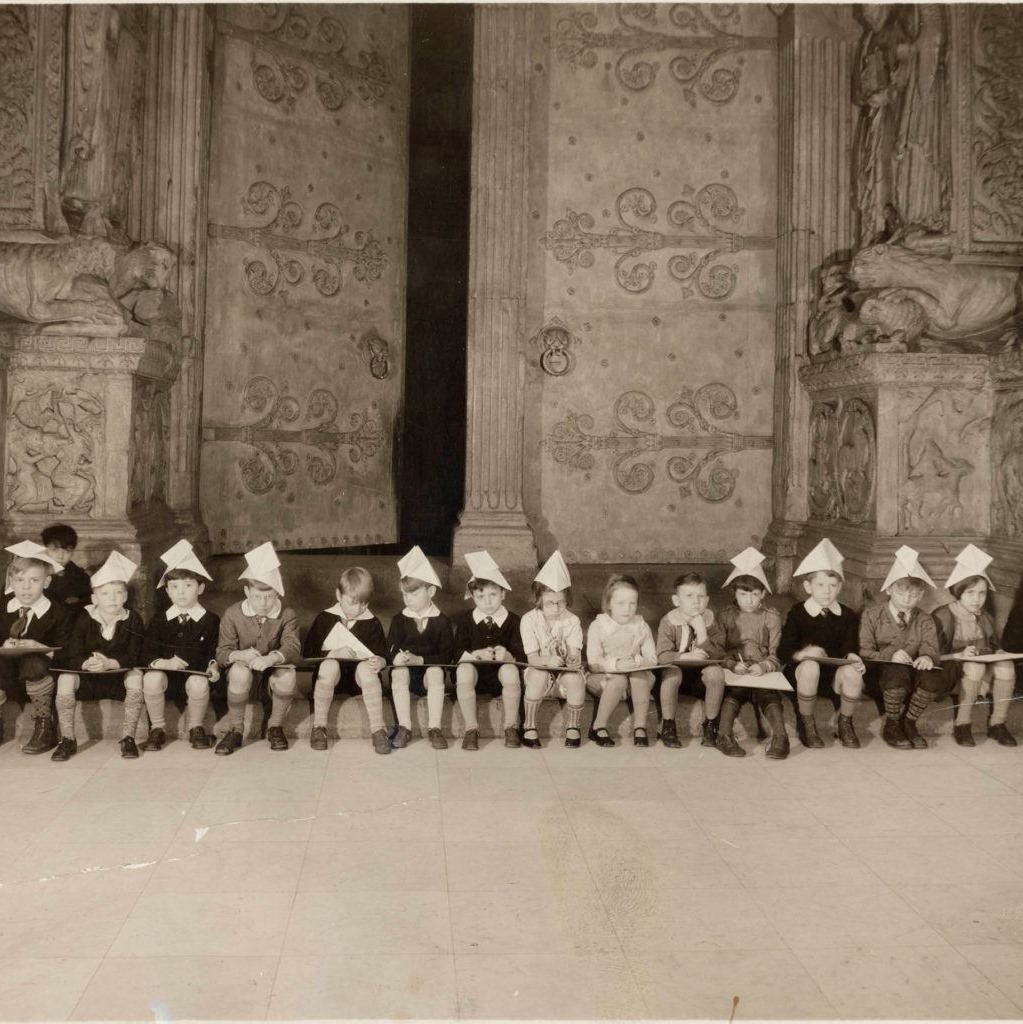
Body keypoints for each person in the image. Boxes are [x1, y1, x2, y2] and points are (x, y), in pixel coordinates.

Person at [53, 551, 145, 760]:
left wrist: (110, 663)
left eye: (118, 592)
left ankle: (128, 737)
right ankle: (68, 739)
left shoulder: (132, 620)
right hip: (89, 679)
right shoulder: (84, 619)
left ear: (126, 595)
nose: (113, 598)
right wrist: (86, 664)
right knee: (66, 678)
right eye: (105, 593)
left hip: (117, 678)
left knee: (136, 675)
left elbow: (136, 655)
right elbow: (73, 654)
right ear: (94, 597)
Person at [214, 542, 301, 755]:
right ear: (246, 591)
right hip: (242, 681)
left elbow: (293, 648)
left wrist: (271, 659)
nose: (263, 603)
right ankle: (235, 728)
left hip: (270, 680)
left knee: (288, 675)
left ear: (278, 594)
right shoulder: (232, 614)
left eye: (269, 597)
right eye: (256, 596)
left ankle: (275, 726)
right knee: (239, 671)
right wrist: (239, 654)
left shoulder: (287, 615)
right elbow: (222, 652)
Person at [779, 539, 866, 749]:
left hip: (831, 676)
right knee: (810, 666)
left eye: (833, 585)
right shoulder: (798, 612)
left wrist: (853, 657)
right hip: (802, 675)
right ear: (808, 586)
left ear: (840, 587)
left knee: (853, 673)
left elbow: (849, 647)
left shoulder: (847, 615)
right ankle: (807, 723)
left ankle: (845, 722)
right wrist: (805, 653)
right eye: (820, 585)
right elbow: (784, 651)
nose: (827, 591)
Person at [859, 546, 944, 749]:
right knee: (896, 673)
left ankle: (910, 722)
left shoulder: (925, 619)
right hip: (881, 673)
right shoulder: (871, 615)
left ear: (922, 595)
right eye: (901, 591)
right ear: (888, 589)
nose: (907, 599)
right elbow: (865, 651)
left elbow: (930, 645)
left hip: (912, 673)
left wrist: (927, 657)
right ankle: (893, 723)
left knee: (932, 677)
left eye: (914, 594)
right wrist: (891, 654)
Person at [933, 544, 1017, 747]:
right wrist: (960, 654)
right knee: (975, 665)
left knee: (1006, 666)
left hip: (979, 670)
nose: (977, 599)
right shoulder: (943, 615)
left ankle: (998, 723)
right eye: (970, 593)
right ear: (958, 591)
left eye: (982, 593)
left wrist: (999, 652)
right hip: (949, 670)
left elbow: (992, 645)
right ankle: (962, 723)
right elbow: (931, 654)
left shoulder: (984, 616)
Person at [140, 540, 219, 751]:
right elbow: (147, 651)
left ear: (200, 588)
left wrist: (213, 666)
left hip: (195, 678)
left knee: (199, 682)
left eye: (188, 585)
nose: (181, 592)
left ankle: (196, 727)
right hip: (167, 678)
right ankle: (157, 728)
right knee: (151, 677)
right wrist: (164, 662)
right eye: (174, 587)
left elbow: (213, 650)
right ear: (167, 591)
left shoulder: (210, 620)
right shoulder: (159, 619)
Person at [303, 566, 389, 754]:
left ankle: (378, 729)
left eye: (364, 604)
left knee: (366, 669)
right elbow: (307, 654)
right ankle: (319, 727)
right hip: (331, 679)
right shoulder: (324, 618)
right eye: (352, 602)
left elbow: (383, 654)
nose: (358, 609)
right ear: (338, 595)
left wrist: (380, 661)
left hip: (358, 681)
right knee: (330, 665)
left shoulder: (372, 622)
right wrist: (332, 653)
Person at [713, 547, 789, 759]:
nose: (748, 600)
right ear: (733, 593)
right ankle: (724, 737)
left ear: (763, 593)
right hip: (736, 671)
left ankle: (781, 738)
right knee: (733, 695)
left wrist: (764, 665)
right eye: (743, 594)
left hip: (761, 672)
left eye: (754, 594)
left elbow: (777, 652)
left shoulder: (770, 617)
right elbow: (718, 650)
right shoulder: (725, 616)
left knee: (769, 695)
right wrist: (731, 664)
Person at [0, 541, 72, 754]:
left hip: (42, 675)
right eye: (20, 580)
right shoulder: (4, 609)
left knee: (33, 662)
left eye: (34, 580)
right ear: (11, 581)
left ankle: (44, 724)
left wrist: (40, 646)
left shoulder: (58, 613)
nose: (26, 587)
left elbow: (68, 651)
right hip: (7, 672)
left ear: (46, 582)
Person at [453, 551, 523, 750]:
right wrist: (475, 655)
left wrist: (508, 655)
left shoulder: (514, 621)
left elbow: (523, 653)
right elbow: (456, 651)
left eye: (493, 594)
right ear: (473, 597)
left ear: (503, 593)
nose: (487, 601)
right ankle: (471, 729)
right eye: (480, 596)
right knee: (463, 669)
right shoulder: (466, 620)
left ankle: (510, 726)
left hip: (501, 676)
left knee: (510, 669)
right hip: (475, 676)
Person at [386, 546, 455, 750]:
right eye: (404, 594)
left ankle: (434, 727)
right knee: (398, 672)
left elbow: (447, 654)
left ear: (431, 591)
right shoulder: (399, 619)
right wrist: (395, 658)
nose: (408, 599)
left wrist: (421, 661)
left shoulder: (442, 621)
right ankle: (404, 727)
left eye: (414, 593)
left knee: (435, 672)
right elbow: (390, 647)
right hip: (406, 676)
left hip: (428, 676)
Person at [520, 551, 587, 749]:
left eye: (561, 602)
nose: (556, 608)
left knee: (575, 679)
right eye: (550, 603)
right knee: (539, 674)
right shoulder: (529, 620)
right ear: (539, 600)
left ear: (567, 600)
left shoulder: (572, 620)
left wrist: (573, 659)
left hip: (563, 676)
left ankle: (573, 727)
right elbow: (532, 658)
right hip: (538, 672)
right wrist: (547, 659)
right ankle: (529, 726)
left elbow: (575, 654)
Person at [656, 572, 726, 748]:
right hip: (674, 677)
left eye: (701, 596)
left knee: (716, 672)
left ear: (707, 600)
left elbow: (719, 654)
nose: (696, 601)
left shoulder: (710, 619)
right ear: (676, 600)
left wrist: (702, 631)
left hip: (700, 680)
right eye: (689, 596)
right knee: (672, 673)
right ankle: (668, 726)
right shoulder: (669, 621)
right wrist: (684, 656)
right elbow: (662, 655)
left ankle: (711, 725)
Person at [586, 574, 656, 747]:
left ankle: (640, 727)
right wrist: (616, 665)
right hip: (605, 678)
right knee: (619, 679)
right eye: (621, 603)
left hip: (635, 681)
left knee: (639, 676)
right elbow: (593, 662)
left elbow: (652, 659)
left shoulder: (641, 625)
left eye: (632, 603)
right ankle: (598, 726)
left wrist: (637, 662)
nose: (627, 609)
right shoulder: (599, 625)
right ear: (609, 604)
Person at [41, 523, 92, 609]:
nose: (60, 556)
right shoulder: (34, 571)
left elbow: (89, 601)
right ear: (45, 548)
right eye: (55, 550)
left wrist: (79, 601)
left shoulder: (80, 577)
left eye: (67, 551)